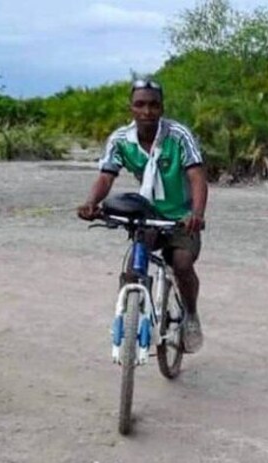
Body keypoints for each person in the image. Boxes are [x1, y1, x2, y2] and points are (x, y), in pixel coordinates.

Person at [77, 78, 209, 353]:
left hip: (180, 217)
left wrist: (196, 214)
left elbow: (197, 177)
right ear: (131, 108)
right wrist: (91, 202)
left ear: (162, 108)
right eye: (140, 105)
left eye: (153, 105)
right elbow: (106, 176)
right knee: (133, 266)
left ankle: (191, 316)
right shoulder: (120, 140)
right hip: (147, 214)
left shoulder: (178, 136)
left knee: (182, 262)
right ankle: (135, 312)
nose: (146, 111)